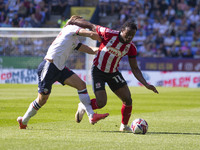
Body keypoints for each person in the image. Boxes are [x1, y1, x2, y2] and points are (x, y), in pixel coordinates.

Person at [68, 16, 159, 132]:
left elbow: (135, 68)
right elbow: (91, 26)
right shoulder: (108, 33)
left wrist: (146, 84)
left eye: (132, 35)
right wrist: (72, 22)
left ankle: (124, 126)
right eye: (128, 34)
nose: (129, 37)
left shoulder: (131, 48)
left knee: (128, 99)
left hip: (113, 73)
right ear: (122, 31)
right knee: (101, 103)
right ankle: (83, 106)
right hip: (98, 70)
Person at [17, 17, 109, 129]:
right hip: (49, 66)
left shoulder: (73, 38)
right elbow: (89, 34)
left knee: (81, 85)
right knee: (42, 100)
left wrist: (102, 50)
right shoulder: (71, 28)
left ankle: (91, 116)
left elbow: (88, 49)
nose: (84, 25)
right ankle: (24, 121)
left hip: (59, 68)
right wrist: (102, 37)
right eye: (82, 22)